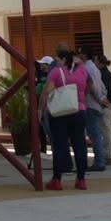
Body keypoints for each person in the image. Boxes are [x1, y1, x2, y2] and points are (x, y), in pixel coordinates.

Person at [42, 48, 89, 191]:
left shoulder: (57, 72)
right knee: (80, 145)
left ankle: (57, 180)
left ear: (63, 59)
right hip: (79, 110)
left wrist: (41, 108)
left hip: (60, 113)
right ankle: (81, 179)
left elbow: (47, 91)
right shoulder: (82, 71)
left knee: (60, 146)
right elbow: (87, 88)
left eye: (58, 59)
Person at [78, 45, 108, 172]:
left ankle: (99, 161)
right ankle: (101, 159)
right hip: (97, 105)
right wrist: (102, 99)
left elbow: (91, 87)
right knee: (97, 134)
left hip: (90, 104)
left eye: (80, 53)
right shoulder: (95, 68)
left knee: (94, 135)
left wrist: (98, 99)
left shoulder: (86, 68)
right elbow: (102, 87)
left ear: (84, 55)